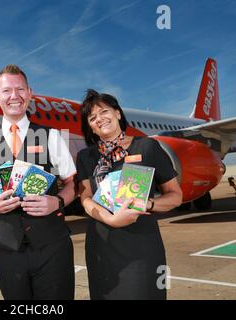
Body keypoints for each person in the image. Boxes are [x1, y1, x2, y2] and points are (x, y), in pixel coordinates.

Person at [0, 65, 76, 300]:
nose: (14, 96)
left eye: (20, 89)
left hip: (52, 247)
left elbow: (72, 185)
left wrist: (57, 202)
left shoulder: (52, 136)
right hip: (6, 249)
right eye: (6, 91)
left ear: (30, 93)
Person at [76, 89, 182, 300]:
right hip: (101, 246)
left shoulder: (147, 147)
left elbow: (175, 195)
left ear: (117, 113)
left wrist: (147, 204)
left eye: (104, 111)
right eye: (92, 117)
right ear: (90, 126)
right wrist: (110, 219)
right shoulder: (85, 156)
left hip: (140, 247)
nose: (100, 119)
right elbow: (85, 198)